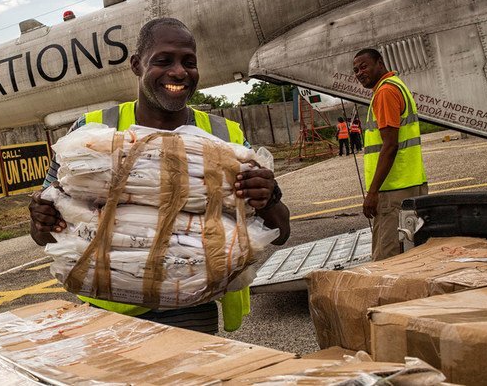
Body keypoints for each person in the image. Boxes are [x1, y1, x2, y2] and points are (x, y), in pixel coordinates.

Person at [30, 18, 290, 334]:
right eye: (163, 61)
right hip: (112, 315)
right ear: (137, 65)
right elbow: (43, 234)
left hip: (192, 310)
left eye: (189, 62)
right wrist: (41, 216)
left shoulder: (224, 136)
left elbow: (281, 229)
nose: (179, 72)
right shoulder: (90, 135)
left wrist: (269, 196)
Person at [352, 48, 427, 261]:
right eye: (356, 70)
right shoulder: (397, 85)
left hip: (394, 191)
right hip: (411, 183)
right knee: (412, 254)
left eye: (364, 66)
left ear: (380, 63)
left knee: (388, 258)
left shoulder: (385, 92)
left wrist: (373, 192)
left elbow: (390, 145)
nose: (359, 73)